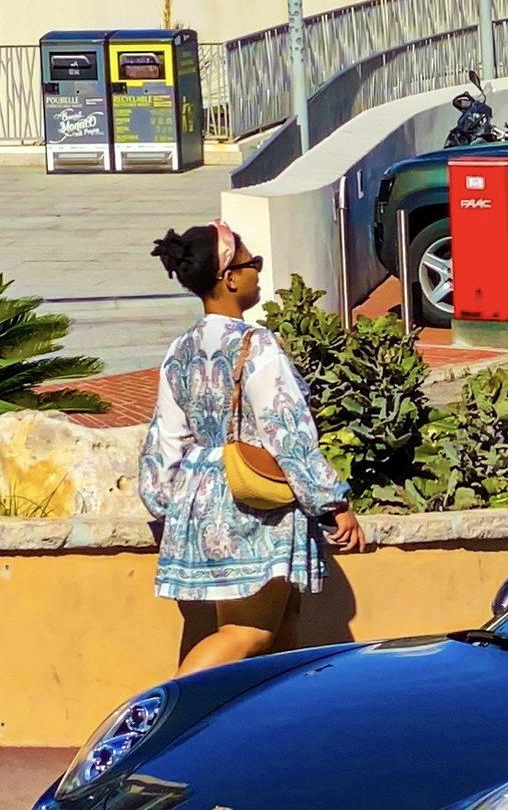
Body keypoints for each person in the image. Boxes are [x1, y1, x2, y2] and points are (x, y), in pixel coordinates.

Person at [141, 223, 366, 670]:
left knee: (280, 633)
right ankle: (169, 719)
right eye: (252, 264)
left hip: (199, 496)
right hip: (251, 500)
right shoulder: (257, 345)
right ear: (229, 278)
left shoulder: (180, 349)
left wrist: (165, 503)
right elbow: (287, 429)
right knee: (249, 632)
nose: (258, 272)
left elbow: (165, 438)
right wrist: (332, 502)